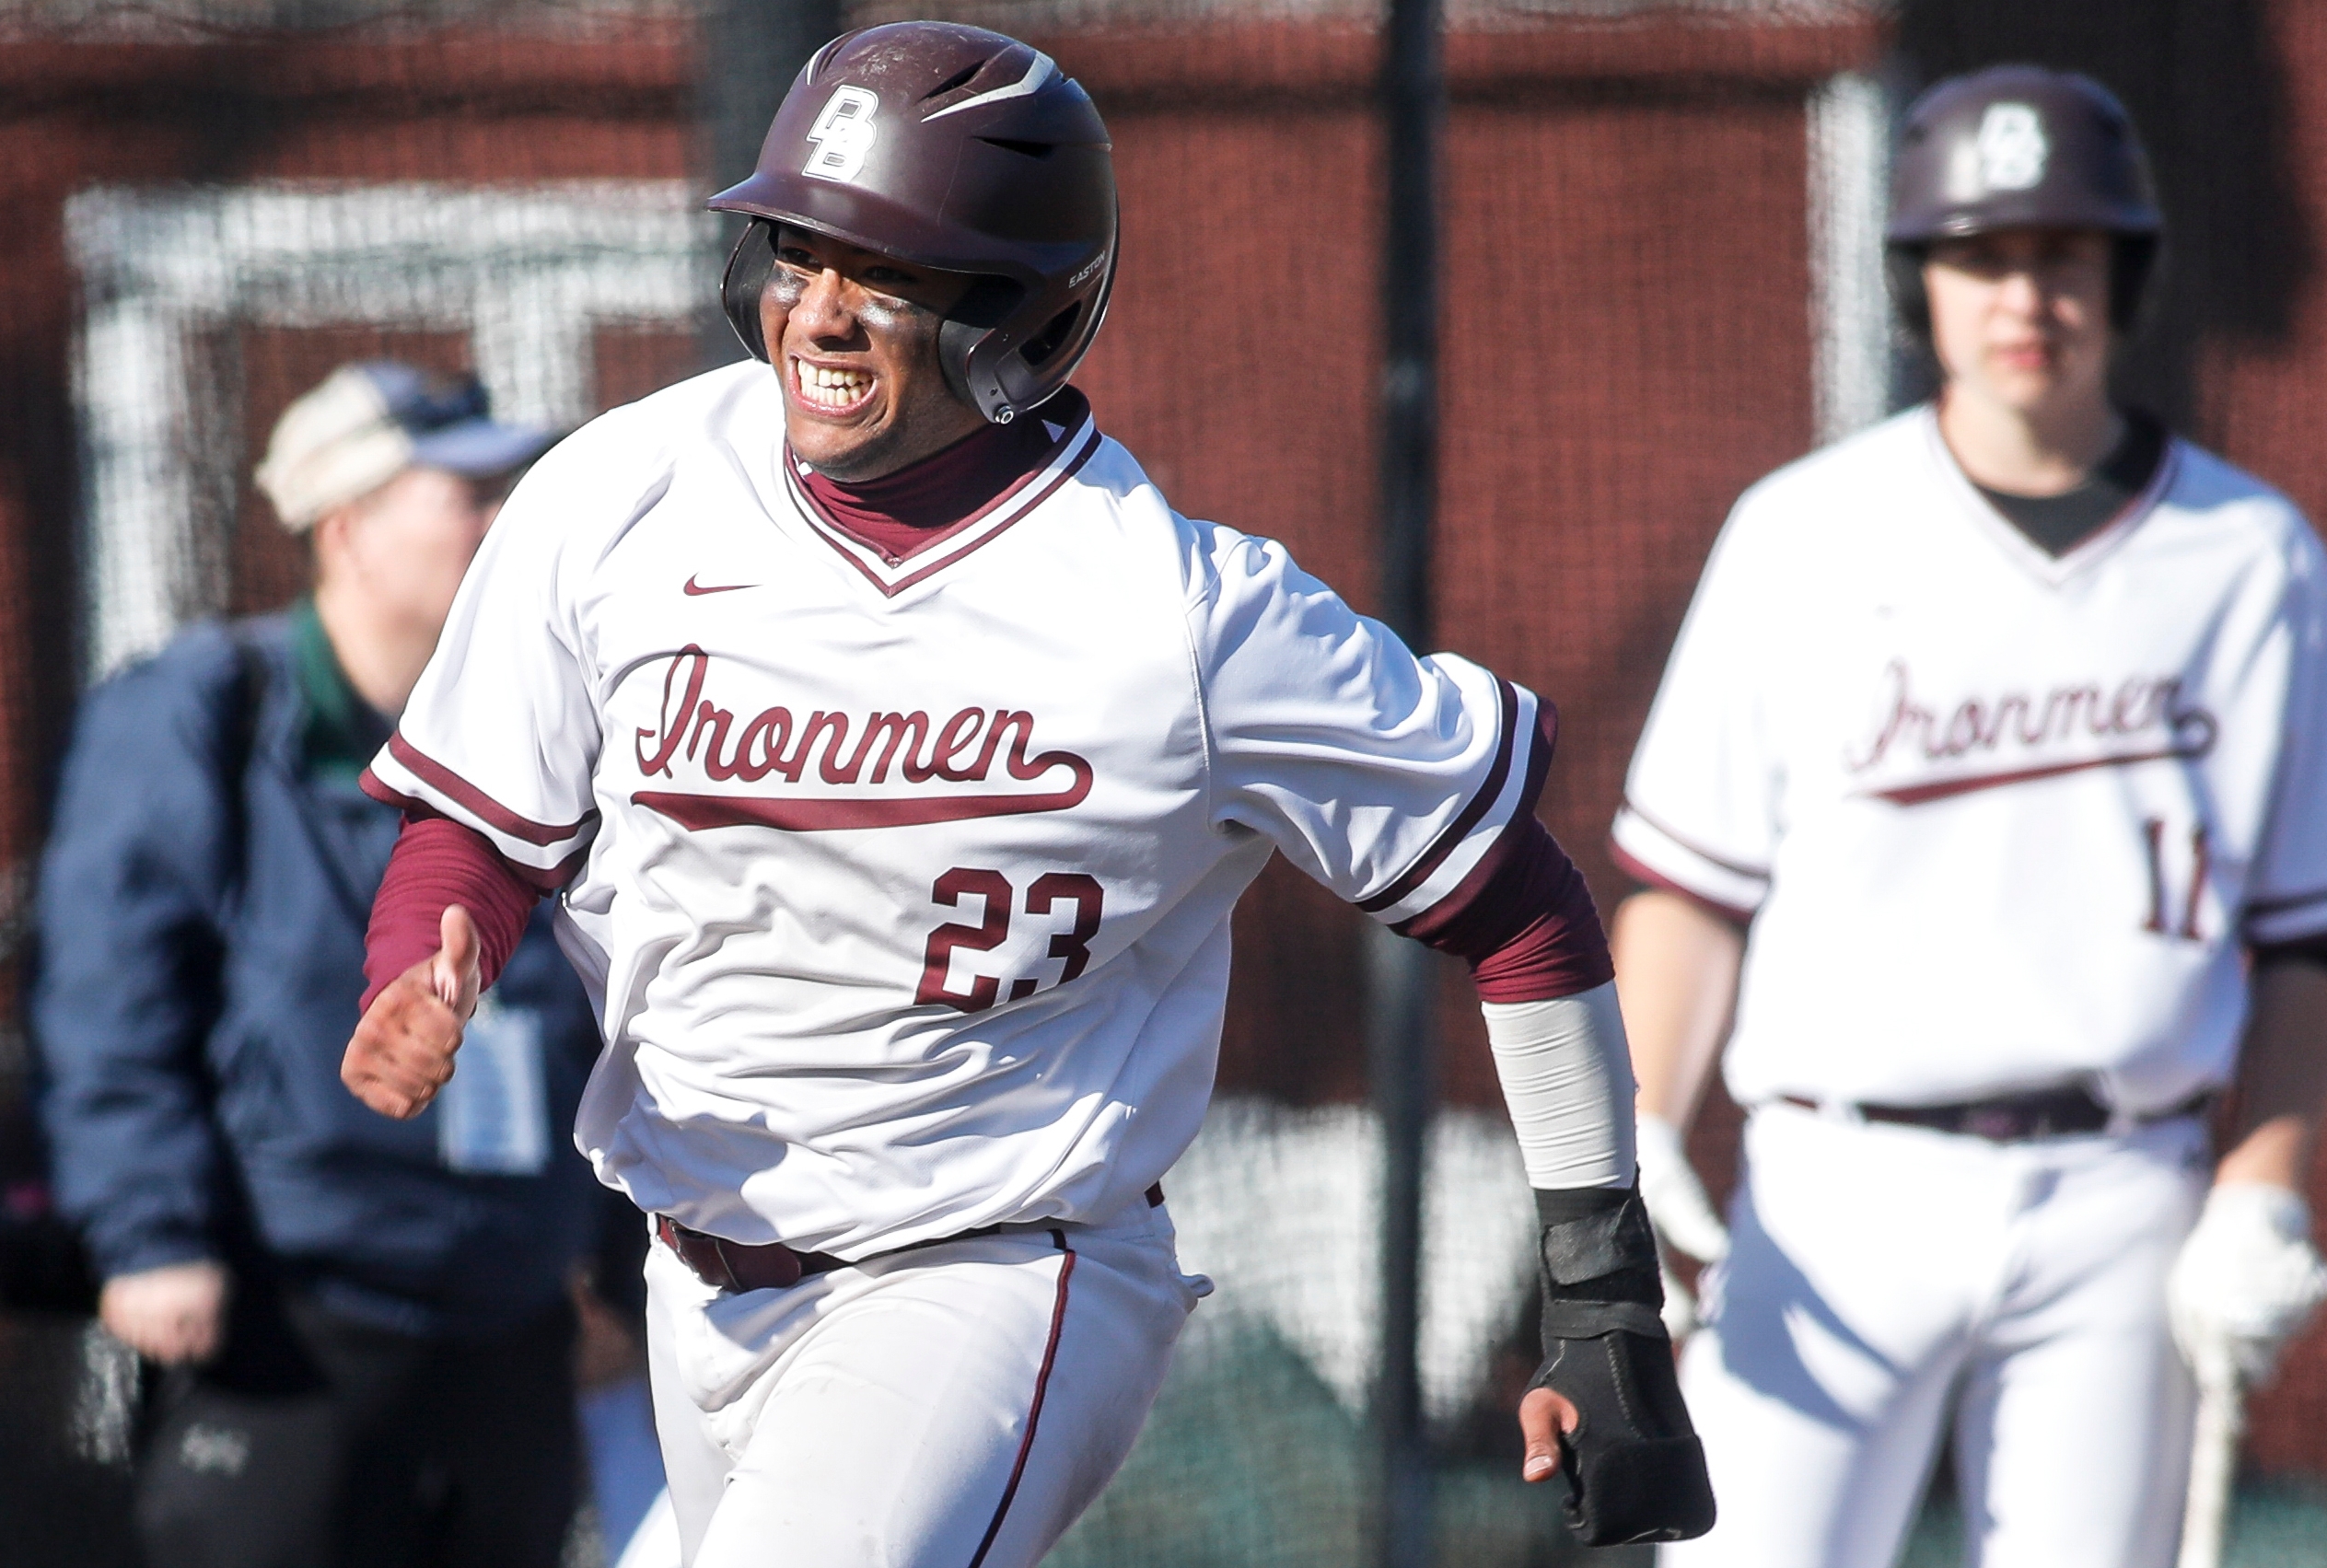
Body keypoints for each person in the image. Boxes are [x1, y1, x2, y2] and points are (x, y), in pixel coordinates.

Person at [335, 22, 1713, 1567]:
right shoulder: (618, 493)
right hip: (694, 1281)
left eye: (890, 269)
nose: (822, 313)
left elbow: (1521, 906)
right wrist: (429, 954)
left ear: (1025, 311)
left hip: (993, 1278)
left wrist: (1599, 1292)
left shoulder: (1185, 615)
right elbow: (470, 828)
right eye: (795, 248)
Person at [1611, 66, 2327, 1568]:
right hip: (1834, 1190)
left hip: (2123, 1196)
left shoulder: (2253, 556)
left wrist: (2262, 1193)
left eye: (2065, 252)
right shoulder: (1803, 531)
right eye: (1983, 254)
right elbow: (1691, 886)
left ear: (2124, 275)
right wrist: (1641, 1132)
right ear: (1918, 281)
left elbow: (2300, 940)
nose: (2026, 291)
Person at [32, 362, 606, 1568]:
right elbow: (112, 992)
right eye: (471, 496)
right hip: (288, 1324)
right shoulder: (201, 709)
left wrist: (613, 1273)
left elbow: (619, 1004)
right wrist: (148, 1235)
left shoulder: (549, 727)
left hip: (511, 1326)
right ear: (345, 528)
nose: (510, 528)